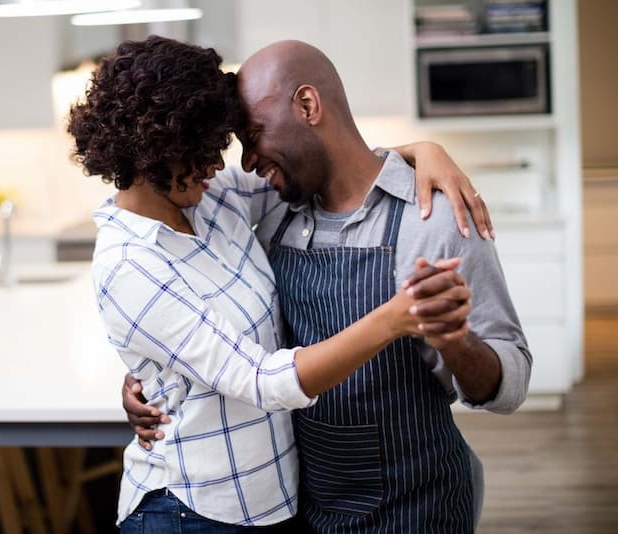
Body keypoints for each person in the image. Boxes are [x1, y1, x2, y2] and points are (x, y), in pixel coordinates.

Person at [70, 37, 488, 533]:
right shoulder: (128, 265)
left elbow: (323, 163)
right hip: (194, 513)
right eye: (203, 149)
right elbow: (259, 380)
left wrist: (423, 151)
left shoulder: (212, 200)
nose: (219, 164)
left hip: (276, 501)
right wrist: (396, 316)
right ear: (157, 148)